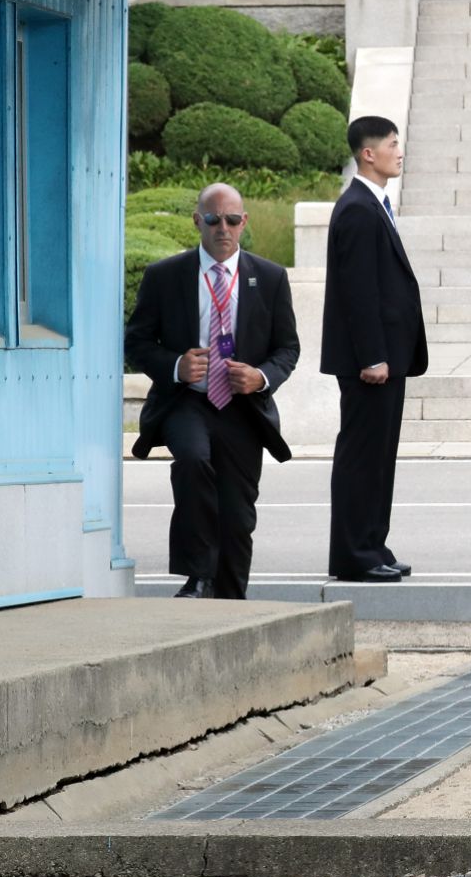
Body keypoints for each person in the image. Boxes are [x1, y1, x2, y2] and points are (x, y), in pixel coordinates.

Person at [125, 183, 301, 600]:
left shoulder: (271, 278)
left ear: (244, 222)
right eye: (213, 219)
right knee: (192, 459)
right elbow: (135, 342)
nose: (223, 228)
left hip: (242, 409)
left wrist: (259, 377)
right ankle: (198, 575)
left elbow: (288, 348)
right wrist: (175, 366)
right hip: (187, 401)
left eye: (232, 219)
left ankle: (231, 601)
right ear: (197, 221)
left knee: (238, 515)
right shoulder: (164, 276)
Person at [322, 115, 426, 584]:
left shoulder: (373, 204)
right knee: (362, 455)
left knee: (380, 455)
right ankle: (353, 554)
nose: (399, 151)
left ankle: (372, 544)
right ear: (368, 153)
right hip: (372, 362)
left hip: (388, 358)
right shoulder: (359, 209)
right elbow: (358, 291)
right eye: (391, 144)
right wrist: (372, 356)